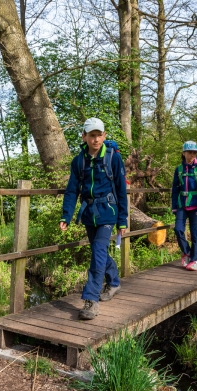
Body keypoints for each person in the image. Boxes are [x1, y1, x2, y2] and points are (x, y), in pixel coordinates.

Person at [60, 118, 128, 320]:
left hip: (108, 212)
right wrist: (66, 215)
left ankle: (91, 300)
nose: (96, 139)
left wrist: (122, 219)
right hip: (89, 213)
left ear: (104, 136)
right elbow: (72, 191)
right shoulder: (78, 161)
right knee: (98, 252)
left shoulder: (113, 158)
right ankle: (114, 282)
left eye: (99, 135)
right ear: (84, 136)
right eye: (92, 135)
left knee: (98, 253)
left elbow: (121, 190)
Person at [171, 141, 197, 271]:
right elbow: (175, 189)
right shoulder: (179, 169)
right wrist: (174, 206)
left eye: (195, 152)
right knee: (178, 229)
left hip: (196, 205)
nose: (192, 154)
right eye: (190, 152)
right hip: (182, 204)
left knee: (195, 234)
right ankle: (186, 252)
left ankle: (194, 260)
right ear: (184, 153)